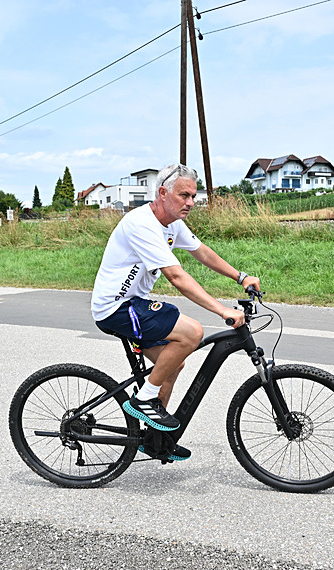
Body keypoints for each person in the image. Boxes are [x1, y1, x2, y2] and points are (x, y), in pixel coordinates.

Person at [91, 163, 260, 461]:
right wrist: (222, 310)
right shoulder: (141, 224)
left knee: (173, 364)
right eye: (184, 195)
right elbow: (177, 277)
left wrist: (240, 276)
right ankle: (144, 399)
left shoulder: (172, 223)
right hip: (116, 308)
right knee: (192, 332)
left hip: (132, 303)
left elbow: (202, 252)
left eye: (193, 196)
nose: (191, 203)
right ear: (162, 193)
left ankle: (156, 441)